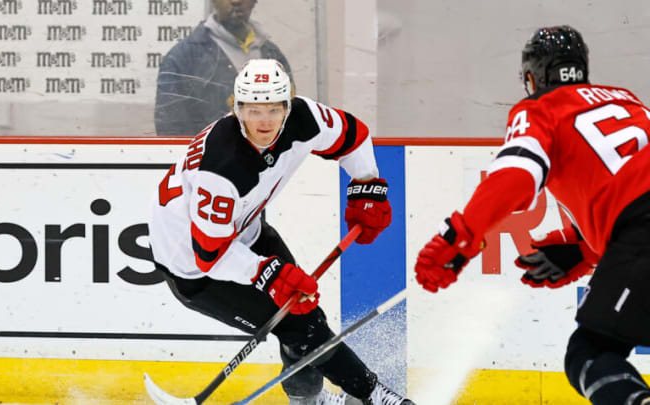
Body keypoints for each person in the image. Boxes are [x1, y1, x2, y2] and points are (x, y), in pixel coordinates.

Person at [149, 59, 414, 405]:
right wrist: (265, 273)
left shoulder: (303, 117)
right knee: (299, 325)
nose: (265, 121)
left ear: (288, 106)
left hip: (244, 232)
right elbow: (209, 253)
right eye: (254, 110)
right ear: (237, 108)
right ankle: (375, 396)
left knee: (305, 313)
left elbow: (353, 134)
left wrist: (366, 184)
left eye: (274, 109)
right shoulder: (222, 167)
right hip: (194, 266)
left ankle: (308, 401)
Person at [413, 25, 650, 405]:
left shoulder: (540, 108)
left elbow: (518, 174)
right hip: (636, 226)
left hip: (642, 224)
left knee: (590, 353)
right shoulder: (628, 100)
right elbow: (629, 180)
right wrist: (585, 252)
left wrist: (462, 234)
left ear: (531, 76)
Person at [154, 0, 293, 136]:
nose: (236, 1)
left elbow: (290, 117)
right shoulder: (183, 58)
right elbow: (171, 132)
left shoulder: (271, 54)